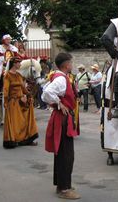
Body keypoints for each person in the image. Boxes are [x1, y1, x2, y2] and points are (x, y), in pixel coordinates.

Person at [42, 52, 80, 200]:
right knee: (66, 155)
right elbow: (46, 93)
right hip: (62, 120)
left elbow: (47, 91)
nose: (72, 65)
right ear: (66, 65)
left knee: (63, 154)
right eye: (70, 62)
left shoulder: (58, 77)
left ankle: (62, 185)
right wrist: (59, 103)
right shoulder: (61, 79)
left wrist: (58, 102)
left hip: (63, 118)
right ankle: (64, 189)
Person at [3, 57, 38, 148]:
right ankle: (13, 139)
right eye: (18, 63)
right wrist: (6, 102)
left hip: (21, 101)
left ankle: (25, 139)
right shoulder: (7, 75)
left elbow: (23, 88)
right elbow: (6, 90)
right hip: (13, 102)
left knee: (24, 120)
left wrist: (29, 95)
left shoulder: (18, 75)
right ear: (14, 64)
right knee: (15, 122)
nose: (20, 65)